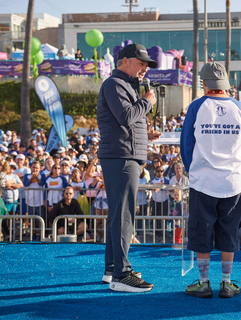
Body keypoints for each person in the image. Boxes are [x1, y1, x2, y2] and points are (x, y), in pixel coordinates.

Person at [180, 61, 241, 299]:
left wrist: (194, 170)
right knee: (229, 231)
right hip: (233, 181)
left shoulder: (197, 106)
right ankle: (227, 283)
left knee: (203, 232)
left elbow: (186, 144)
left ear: (203, 83)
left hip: (204, 181)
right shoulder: (239, 106)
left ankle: (203, 282)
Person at [97, 43, 160, 292]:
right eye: (141, 62)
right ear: (125, 61)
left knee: (118, 214)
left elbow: (127, 122)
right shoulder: (114, 84)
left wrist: (146, 135)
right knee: (124, 215)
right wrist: (146, 102)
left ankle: (112, 268)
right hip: (121, 157)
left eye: (147, 64)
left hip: (123, 155)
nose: (145, 68)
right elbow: (125, 117)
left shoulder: (126, 85)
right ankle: (122, 274)